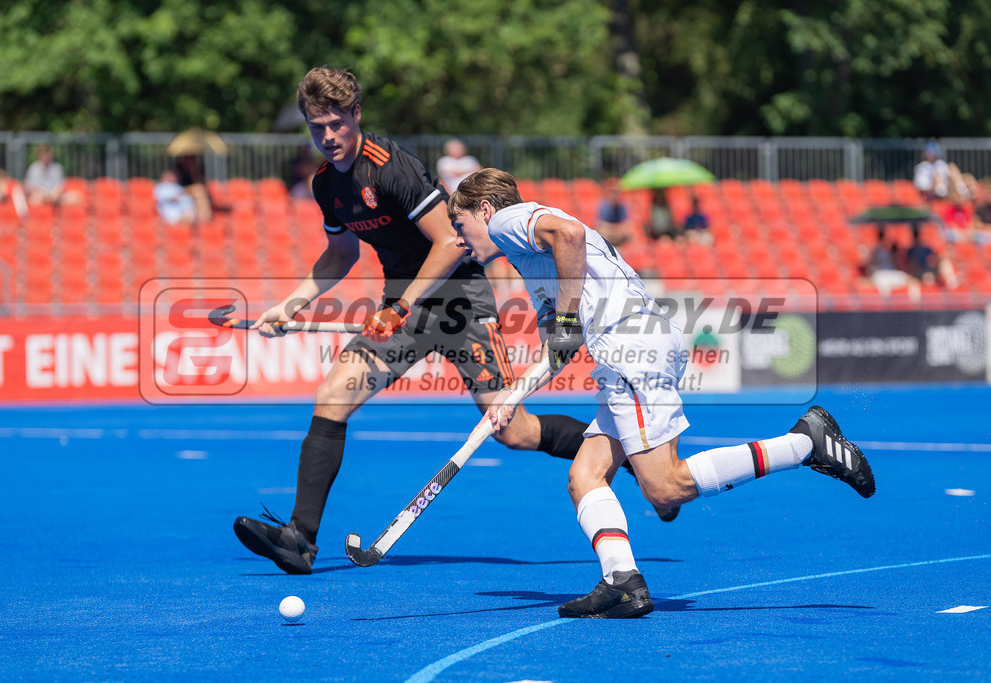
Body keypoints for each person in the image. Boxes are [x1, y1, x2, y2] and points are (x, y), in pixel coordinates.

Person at [231, 66, 649, 576]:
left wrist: (402, 305)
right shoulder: (326, 184)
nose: (329, 136)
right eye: (318, 127)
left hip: (460, 304)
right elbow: (340, 254)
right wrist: (292, 304)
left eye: (337, 123)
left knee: (513, 431)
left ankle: (626, 454)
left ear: (356, 114)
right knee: (332, 396)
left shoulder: (391, 167)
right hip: (402, 308)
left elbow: (451, 243)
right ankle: (300, 539)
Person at [448, 168, 876, 619]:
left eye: (460, 225)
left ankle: (804, 443)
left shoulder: (507, 221)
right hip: (632, 347)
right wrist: (512, 395)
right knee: (585, 475)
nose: (460, 239)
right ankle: (622, 580)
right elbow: (561, 347)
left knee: (665, 487)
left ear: (485, 210)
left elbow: (570, 236)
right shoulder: (528, 258)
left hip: (628, 347)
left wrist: (569, 321)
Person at [861, 226, 920, 301]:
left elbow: (901, 262)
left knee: (913, 282)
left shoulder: (893, 250)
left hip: (893, 273)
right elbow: (870, 265)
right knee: (884, 289)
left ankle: (916, 304)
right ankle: (886, 306)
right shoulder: (876, 251)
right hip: (881, 275)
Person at [173, 154, 214, 222]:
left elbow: (202, 184)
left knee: (199, 190)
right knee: (198, 191)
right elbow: (178, 188)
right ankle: (203, 218)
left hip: (194, 196)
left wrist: (194, 172)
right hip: (184, 195)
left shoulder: (197, 169)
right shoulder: (178, 171)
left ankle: (204, 218)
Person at [593, 179, 632, 247]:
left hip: (616, 232)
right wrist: (616, 229)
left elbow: (626, 224)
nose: (615, 197)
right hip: (609, 231)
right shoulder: (604, 205)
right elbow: (601, 225)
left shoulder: (623, 206)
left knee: (629, 233)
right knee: (603, 232)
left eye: (617, 193)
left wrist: (618, 230)